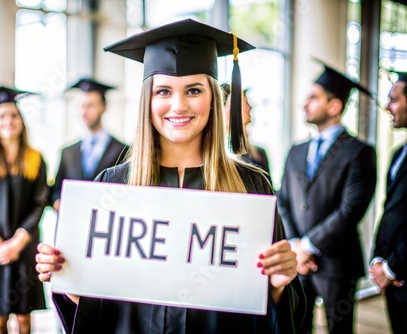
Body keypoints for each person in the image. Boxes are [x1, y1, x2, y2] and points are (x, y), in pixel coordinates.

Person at [35, 18, 305, 333]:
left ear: (214, 99)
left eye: (193, 90)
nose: (178, 105)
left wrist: (278, 282)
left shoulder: (250, 186)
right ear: (147, 101)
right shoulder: (111, 185)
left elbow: (269, 309)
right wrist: (68, 276)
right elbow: (98, 309)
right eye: (163, 91)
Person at [277, 62, 377, 333]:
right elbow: (283, 199)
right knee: (298, 325)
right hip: (297, 260)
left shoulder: (359, 152)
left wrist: (309, 246)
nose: (305, 104)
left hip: (338, 261)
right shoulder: (295, 151)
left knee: (339, 328)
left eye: (313, 97)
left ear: (334, 106)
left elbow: (350, 210)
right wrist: (297, 246)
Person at [0, 86, 49, 334]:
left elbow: (40, 203)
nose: (8, 121)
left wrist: (17, 242)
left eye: (14, 116)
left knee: (24, 317)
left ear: (22, 122)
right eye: (2, 116)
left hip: (24, 246)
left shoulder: (36, 158)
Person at [50, 78, 128, 211]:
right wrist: (57, 202)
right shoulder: (67, 152)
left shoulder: (123, 150)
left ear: (103, 107)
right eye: (82, 106)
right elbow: (56, 190)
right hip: (73, 221)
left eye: (90, 106)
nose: (84, 112)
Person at [369, 71, 407, 333]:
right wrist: (378, 260)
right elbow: (391, 211)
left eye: (394, 99)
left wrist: (392, 267)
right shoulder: (398, 154)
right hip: (393, 280)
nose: (387, 106)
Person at [221, 83, 271, 179]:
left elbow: (268, 192)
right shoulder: (213, 151)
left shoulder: (259, 154)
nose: (250, 107)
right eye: (245, 103)